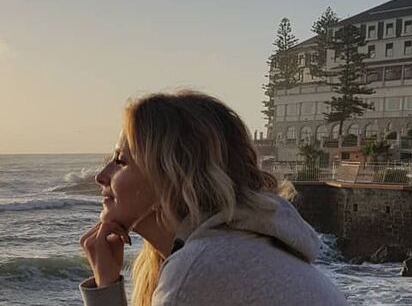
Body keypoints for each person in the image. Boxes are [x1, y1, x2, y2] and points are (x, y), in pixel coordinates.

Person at [79, 90, 348, 306]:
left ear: (172, 177)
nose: (101, 176)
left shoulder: (202, 270)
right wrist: (106, 283)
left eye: (120, 161)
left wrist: (105, 294)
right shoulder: (234, 250)